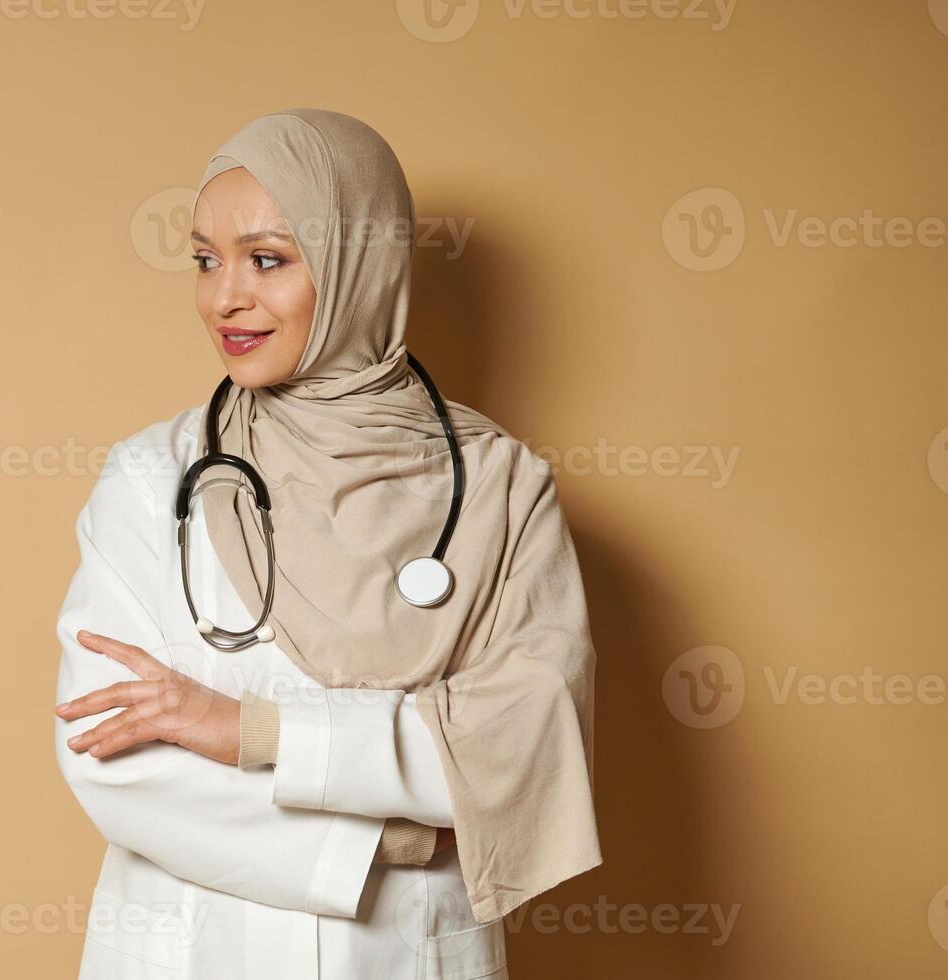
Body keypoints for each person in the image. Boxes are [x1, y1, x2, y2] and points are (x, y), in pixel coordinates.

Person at [53, 107, 601, 980]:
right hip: (196, 948)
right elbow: (112, 760)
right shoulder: (153, 479)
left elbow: (527, 739)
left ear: (361, 265)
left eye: (266, 259)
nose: (224, 296)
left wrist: (249, 731)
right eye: (205, 259)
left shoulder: (499, 485)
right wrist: (385, 840)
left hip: (403, 953)